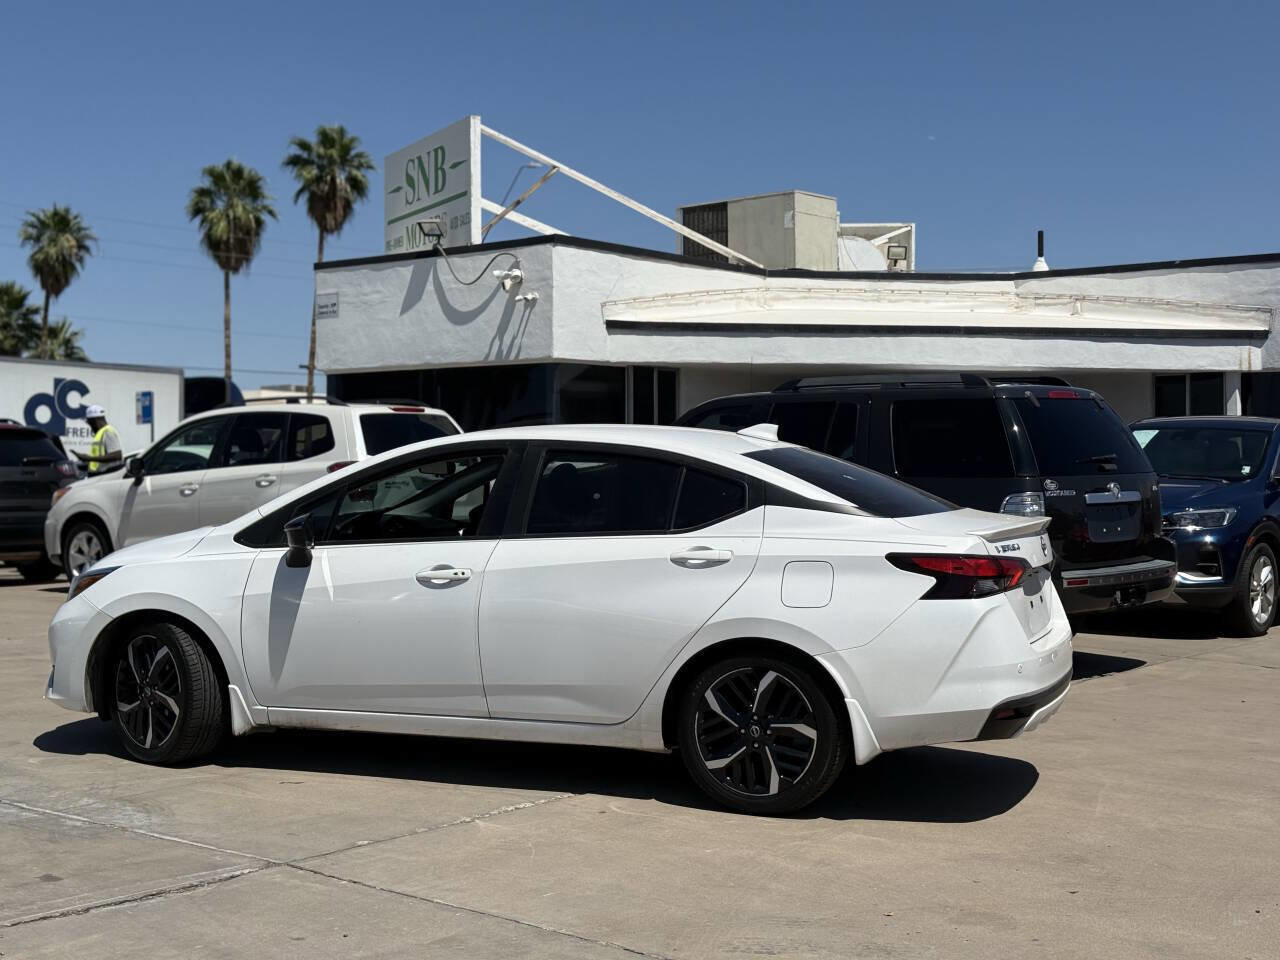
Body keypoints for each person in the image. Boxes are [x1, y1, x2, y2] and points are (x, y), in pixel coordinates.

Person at [73, 404, 122, 474]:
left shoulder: (108, 432)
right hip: (99, 475)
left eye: (89, 422)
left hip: (107, 474)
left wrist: (89, 458)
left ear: (95, 420)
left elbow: (117, 455)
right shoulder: (101, 433)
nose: (89, 425)